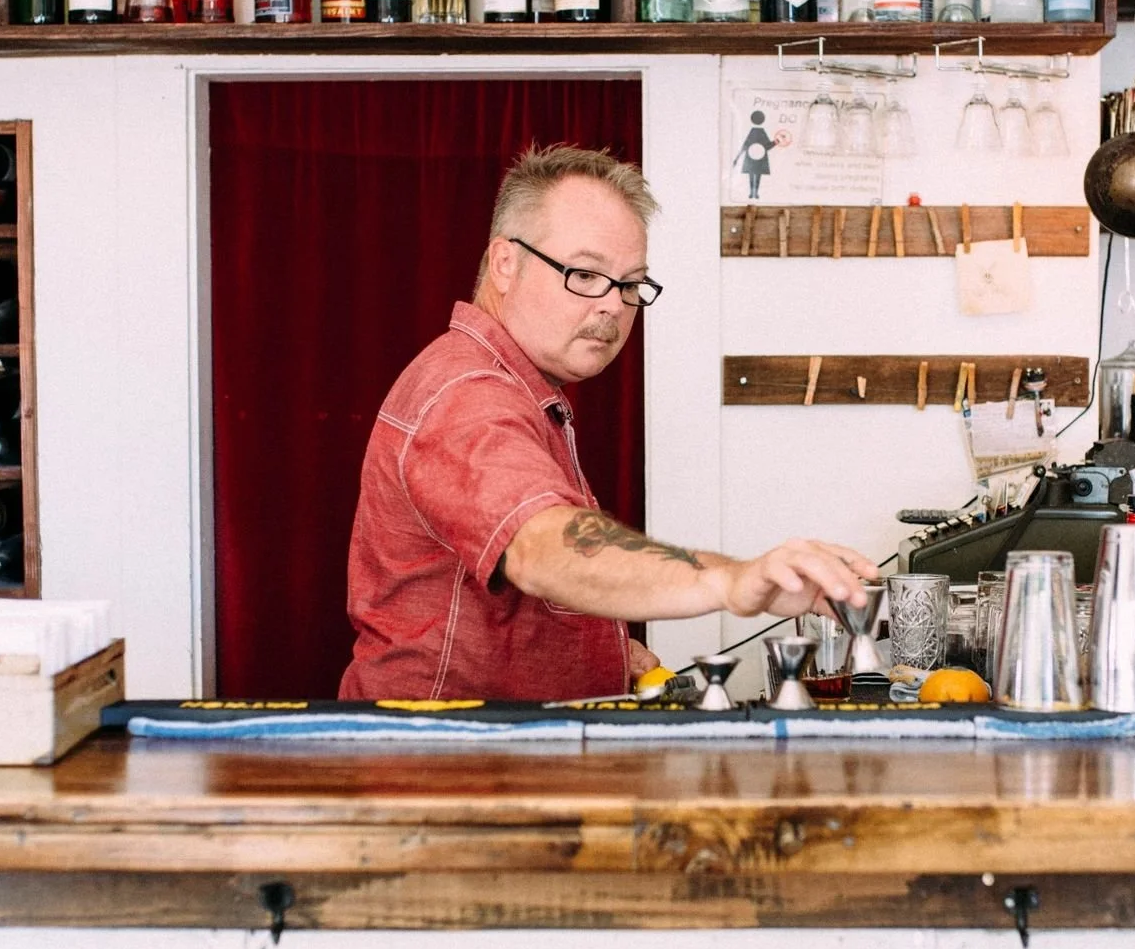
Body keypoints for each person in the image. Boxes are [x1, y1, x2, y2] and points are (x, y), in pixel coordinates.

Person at [341, 143, 878, 702]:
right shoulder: (469, 395)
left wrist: (603, 646)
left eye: (629, 284)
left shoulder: (519, 387)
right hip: (444, 767)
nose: (613, 307)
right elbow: (541, 547)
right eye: (585, 274)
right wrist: (732, 582)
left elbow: (501, 593)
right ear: (505, 263)